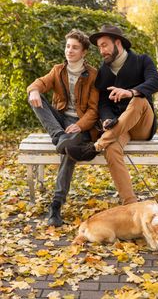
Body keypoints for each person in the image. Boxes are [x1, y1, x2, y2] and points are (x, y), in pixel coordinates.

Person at [66, 25, 158, 205]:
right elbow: (103, 102)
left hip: (142, 125)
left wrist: (131, 92)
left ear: (118, 43)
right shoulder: (104, 70)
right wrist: (107, 118)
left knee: (140, 100)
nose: (102, 51)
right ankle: (130, 203)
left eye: (105, 45)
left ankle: (95, 146)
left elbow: (155, 82)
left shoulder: (142, 61)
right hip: (119, 128)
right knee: (111, 148)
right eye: (100, 47)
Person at [27, 29, 99, 227]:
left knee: (69, 152)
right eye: (68, 46)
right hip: (59, 122)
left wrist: (79, 125)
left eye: (75, 47)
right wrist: (34, 90)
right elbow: (41, 83)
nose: (70, 50)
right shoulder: (58, 70)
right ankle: (58, 136)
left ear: (84, 52)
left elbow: (94, 111)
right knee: (34, 96)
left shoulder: (93, 75)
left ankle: (56, 205)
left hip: (80, 126)